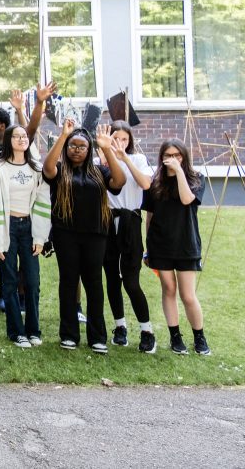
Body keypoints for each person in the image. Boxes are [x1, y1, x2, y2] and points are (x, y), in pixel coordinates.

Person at [42, 119, 126, 354]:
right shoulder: (60, 171)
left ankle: (98, 336)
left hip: (95, 235)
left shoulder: (99, 171)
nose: (76, 150)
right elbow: (47, 168)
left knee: (94, 283)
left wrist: (107, 149)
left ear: (89, 150)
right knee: (68, 282)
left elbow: (119, 182)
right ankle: (69, 334)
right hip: (65, 234)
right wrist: (62, 137)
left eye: (82, 147)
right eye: (72, 146)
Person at [141, 138, 210, 356]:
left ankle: (199, 337)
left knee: (188, 295)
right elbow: (149, 216)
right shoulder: (155, 182)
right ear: (162, 158)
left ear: (184, 156)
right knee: (168, 290)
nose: (173, 159)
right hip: (160, 244)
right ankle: (175, 337)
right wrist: (147, 247)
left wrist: (179, 172)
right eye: (168, 155)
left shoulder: (196, 178)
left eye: (177, 155)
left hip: (186, 244)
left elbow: (187, 199)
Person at [0, 125, 51, 348]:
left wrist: (40, 237)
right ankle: (16, 331)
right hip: (7, 227)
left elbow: (43, 204)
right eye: (17, 136)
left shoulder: (37, 169)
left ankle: (33, 330)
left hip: (30, 227)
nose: (22, 139)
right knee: (10, 280)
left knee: (32, 281)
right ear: (8, 140)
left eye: (24, 136)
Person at [102, 121, 156, 353]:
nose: (120, 143)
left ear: (130, 141)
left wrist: (124, 159)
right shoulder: (99, 162)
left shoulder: (138, 160)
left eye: (124, 139)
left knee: (131, 281)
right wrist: (106, 155)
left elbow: (145, 184)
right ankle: (120, 327)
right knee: (112, 278)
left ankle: (147, 330)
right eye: (116, 138)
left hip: (131, 221)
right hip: (107, 222)